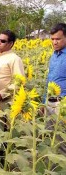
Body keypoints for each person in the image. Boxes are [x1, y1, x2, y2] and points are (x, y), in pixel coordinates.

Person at [45, 23, 66, 155]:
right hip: (50, 103)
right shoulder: (54, 55)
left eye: (57, 39)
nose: (54, 42)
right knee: (49, 138)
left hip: (62, 104)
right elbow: (49, 80)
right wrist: (43, 101)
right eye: (52, 39)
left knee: (61, 141)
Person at [0, 30, 25, 106]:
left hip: (3, 102)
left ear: (10, 44)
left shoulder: (14, 59)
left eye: (3, 41)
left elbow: (19, 83)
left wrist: (1, 94)